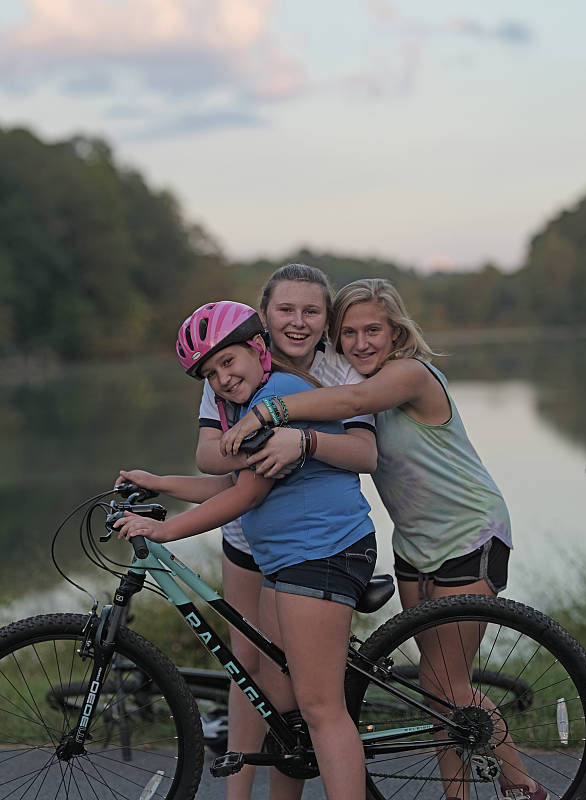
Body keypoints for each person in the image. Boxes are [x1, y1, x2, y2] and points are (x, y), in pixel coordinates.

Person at [220, 278, 548, 800]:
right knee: (438, 691)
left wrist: (268, 411)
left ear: (396, 331)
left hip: (469, 533)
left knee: (447, 684)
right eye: (348, 333)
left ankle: (523, 786)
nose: (360, 342)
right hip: (414, 544)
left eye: (372, 330)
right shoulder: (355, 379)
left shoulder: (409, 374)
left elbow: (350, 399)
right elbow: (340, 407)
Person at [115, 300, 377, 800]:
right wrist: (159, 483)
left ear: (258, 349)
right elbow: (230, 484)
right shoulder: (244, 406)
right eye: (210, 375)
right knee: (284, 700)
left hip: (322, 553)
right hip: (288, 563)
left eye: (228, 362)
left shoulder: (278, 393)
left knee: (320, 708)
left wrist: (166, 531)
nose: (222, 379)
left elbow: (248, 496)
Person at [190, 264, 376, 800]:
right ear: (263, 316)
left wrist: (301, 441)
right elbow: (208, 456)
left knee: (307, 694)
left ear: (326, 318)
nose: (298, 321)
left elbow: (364, 454)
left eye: (311, 311)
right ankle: (238, 796)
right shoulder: (232, 362)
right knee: (250, 669)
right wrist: (256, 446)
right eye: (285, 310)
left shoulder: (340, 369)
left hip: (309, 540)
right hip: (247, 538)